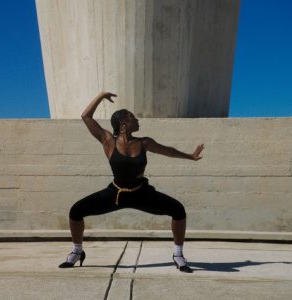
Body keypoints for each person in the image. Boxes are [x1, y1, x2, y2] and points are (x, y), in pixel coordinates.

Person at [59, 91, 204, 273]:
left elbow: (167, 150)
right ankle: (77, 251)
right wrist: (102, 96)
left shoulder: (144, 143)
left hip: (141, 193)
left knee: (178, 210)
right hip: (116, 194)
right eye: (132, 117)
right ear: (123, 124)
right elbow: (86, 116)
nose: (137, 120)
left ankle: (178, 255)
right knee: (76, 211)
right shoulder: (108, 141)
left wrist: (190, 156)